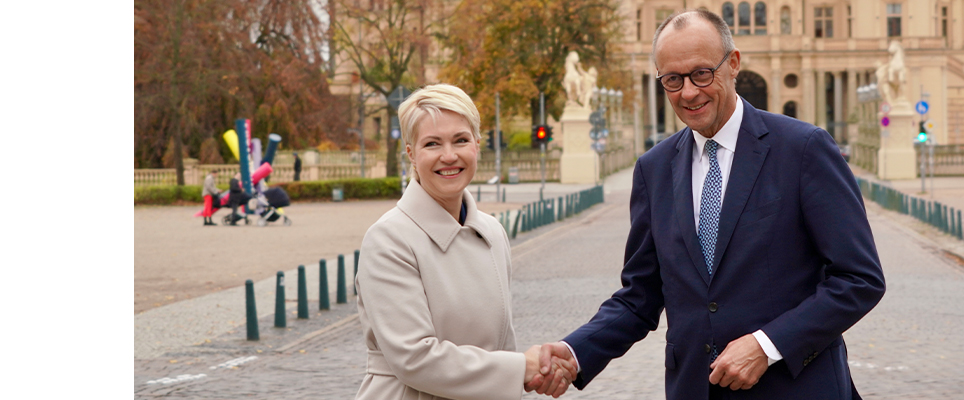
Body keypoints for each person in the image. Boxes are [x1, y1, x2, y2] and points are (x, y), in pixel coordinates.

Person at [533, 10, 886, 400]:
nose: (688, 92)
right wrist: (574, 352)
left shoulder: (803, 149)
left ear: (733, 64)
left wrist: (768, 345)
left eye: (702, 73)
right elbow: (640, 297)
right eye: (672, 80)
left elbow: (859, 279)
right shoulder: (653, 169)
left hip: (796, 388)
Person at [354, 83, 573, 400]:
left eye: (460, 140)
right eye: (432, 143)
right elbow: (414, 359)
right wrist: (519, 369)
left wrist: (525, 372)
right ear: (412, 154)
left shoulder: (491, 232)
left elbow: (502, 344)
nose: (448, 155)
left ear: (477, 145)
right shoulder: (389, 239)